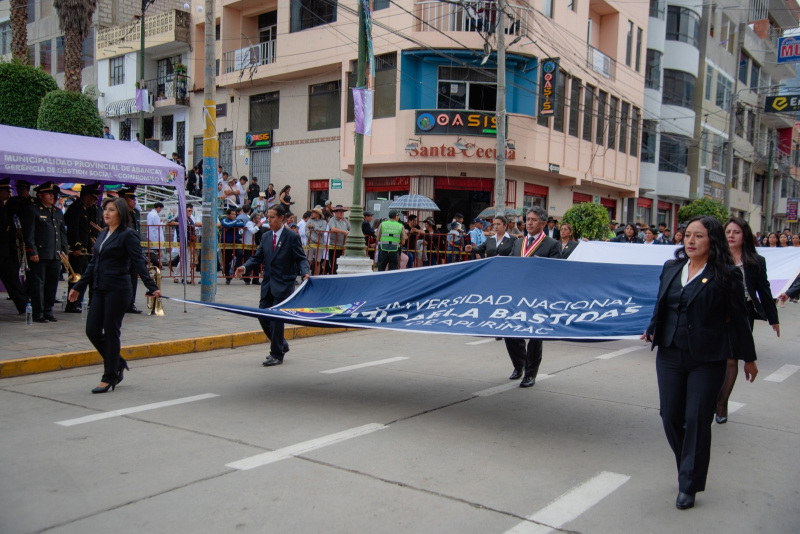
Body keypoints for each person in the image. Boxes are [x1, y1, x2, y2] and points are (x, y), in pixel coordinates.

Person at [641, 215, 757, 510]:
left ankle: (689, 483)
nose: (690, 241)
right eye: (687, 235)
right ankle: (688, 466)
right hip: (670, 353)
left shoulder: (726, 275)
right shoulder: (672, 267)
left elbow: (741, 320)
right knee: (669, 415)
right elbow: (662, 302)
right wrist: (653, 326)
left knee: (696, 419)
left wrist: (749, 358)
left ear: (712, 240)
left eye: (698, 236)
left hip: (708, 358)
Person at [69, 198, 161, 393]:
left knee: (111, 331)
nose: (106, 213)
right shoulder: (103, 235)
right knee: (92, 330)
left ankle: (110, 376)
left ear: (121, 213)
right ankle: (117, 361)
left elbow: (138, 262)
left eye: (111, 210)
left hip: (118, 289)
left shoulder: (128, 235)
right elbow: (93, 264)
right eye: (105, 210)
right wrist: (78, 286)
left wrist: (151, 286)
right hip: (99, 288)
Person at [716, 217, 779, 424]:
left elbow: (764, 290)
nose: (731, 236)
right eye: (728, 232)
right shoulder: (715, 257)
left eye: (736, 232)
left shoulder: (755, 261)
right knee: (713, 357)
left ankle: (722, 403)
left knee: (732, 359)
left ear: (745, 236)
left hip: (742, 314)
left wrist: (773, 318)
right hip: (714, 312)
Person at [236, 205, 310, 367]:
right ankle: (281, 343)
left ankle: (276, 354)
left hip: (284, 283)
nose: (268, 220)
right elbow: (257, 257)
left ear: (282, 218)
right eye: (267, 217)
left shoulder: (292, 237)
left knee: (276, 319)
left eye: (272, 217)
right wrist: (245, 267)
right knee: (262, 314)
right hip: (268, 283)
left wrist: (305, 272)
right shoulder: (266, 236)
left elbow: (301, 258)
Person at [506, 206, 561, 387]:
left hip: (539, 296)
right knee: (510, 332)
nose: (529, 222)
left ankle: (530, 373)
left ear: (543, 223)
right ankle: (519, 365)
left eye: (534, 220)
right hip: (517, 295)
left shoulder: (552, 244)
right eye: (528, 219)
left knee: (535, 337)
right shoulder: (518, 243)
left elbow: (556, 273)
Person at [20, 182, 67, 323]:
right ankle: (38, 312)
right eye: (49, 194)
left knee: (52, 284)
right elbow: (29, 234)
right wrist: (32, 251)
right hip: (39, 254)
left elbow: (62, 233)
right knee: (38, 283)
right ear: (40, 195)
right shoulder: (33, 210)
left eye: (53, 194)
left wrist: (64, 250)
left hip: (55, 253)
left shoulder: (57, 211)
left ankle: (48, 310)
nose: (52, 196)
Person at [63, 184, 100, 313]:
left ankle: (77, 301)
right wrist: (76, 246)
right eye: (93, 198)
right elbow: (73, 229)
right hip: (77, 250)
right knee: (76, 277)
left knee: (83, 277)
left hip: (84, 248)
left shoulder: (85, 209)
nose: (94, 201)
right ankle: (72, 303)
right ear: (87, 196)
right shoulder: (76, 209)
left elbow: (86, 231)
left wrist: (90, 245)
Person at [0, 178, 28, 314]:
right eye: (6, 191)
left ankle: (23, 306)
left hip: (5, 250)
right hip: (3, 249)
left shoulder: (6, 207)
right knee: (11, 278)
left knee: (12, 279)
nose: (9, 194)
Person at [118, 187, 144, 314]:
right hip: (122, 250)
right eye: (132, 198)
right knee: (122, 277)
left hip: (133, 250)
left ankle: (130, 303)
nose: (134, 201)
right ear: (124, 199)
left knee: (133, 277)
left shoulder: (135, 213)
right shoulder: (119, 214)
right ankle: (120, 302)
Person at [220, 207, 245, 284]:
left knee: (240, 254)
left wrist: (233, 224)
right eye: (232, 214)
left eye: (235, 214)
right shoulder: (224, 220)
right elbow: (226, 225)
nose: (234, 216)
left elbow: (242, 223)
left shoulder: (236, 220)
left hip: (236, 243)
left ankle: (235, 270)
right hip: (226, 243)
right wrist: (234, 223)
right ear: (228, 215)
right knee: (227, 260)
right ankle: (228, 277)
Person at [306, 206, 328, 275]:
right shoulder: (309, 220)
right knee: (308, 261)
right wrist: (315, 239)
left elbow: (322, 231)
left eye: (314, 212)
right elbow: (306, 232)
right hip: (311, 243)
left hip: (320, 244)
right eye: (312, 212)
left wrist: (313, 227)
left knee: (317, 261)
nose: (312, 213)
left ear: (318, 214)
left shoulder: (324, 222)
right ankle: (305, 276)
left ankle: (316, 276)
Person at [243, 211, 263, 285]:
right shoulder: (249, 224)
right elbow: (252, 231)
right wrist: (257, 225)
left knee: (256, 263)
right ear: (254, 219)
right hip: (248, 246)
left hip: (255, 247)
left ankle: (256, 279)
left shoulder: (257, 224)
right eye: (258, 218)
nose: (259, 220)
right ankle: (246, 278)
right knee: (248, 262)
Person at [146, 202, 165, 266]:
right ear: (159, 207)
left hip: (151, 234)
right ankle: (158, 264)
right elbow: (157, 225)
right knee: (157, 250)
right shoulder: (155, 215)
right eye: (161, 209)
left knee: (153, 250)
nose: (160, 210)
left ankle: (157, 263)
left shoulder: (150, 214)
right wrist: (162, 222)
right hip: (155, 235)